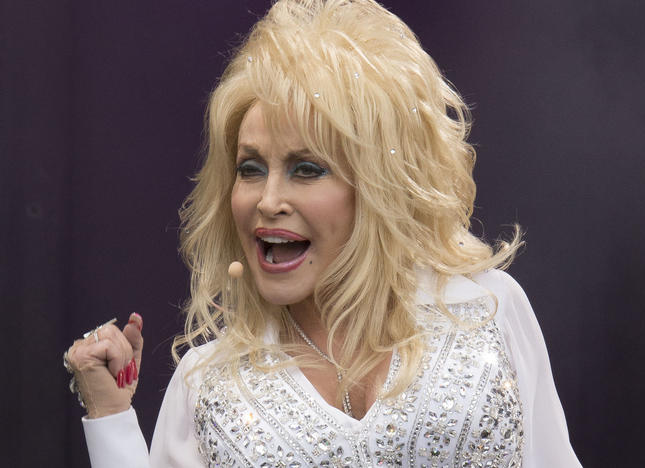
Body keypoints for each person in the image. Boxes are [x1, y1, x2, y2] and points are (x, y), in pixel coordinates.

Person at [64, 0, 581, 466]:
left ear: (378, 187)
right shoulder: (210, 385)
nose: (267, 200)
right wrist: (110, 415)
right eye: (250, 168)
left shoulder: (485, 310)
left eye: (306, 169)